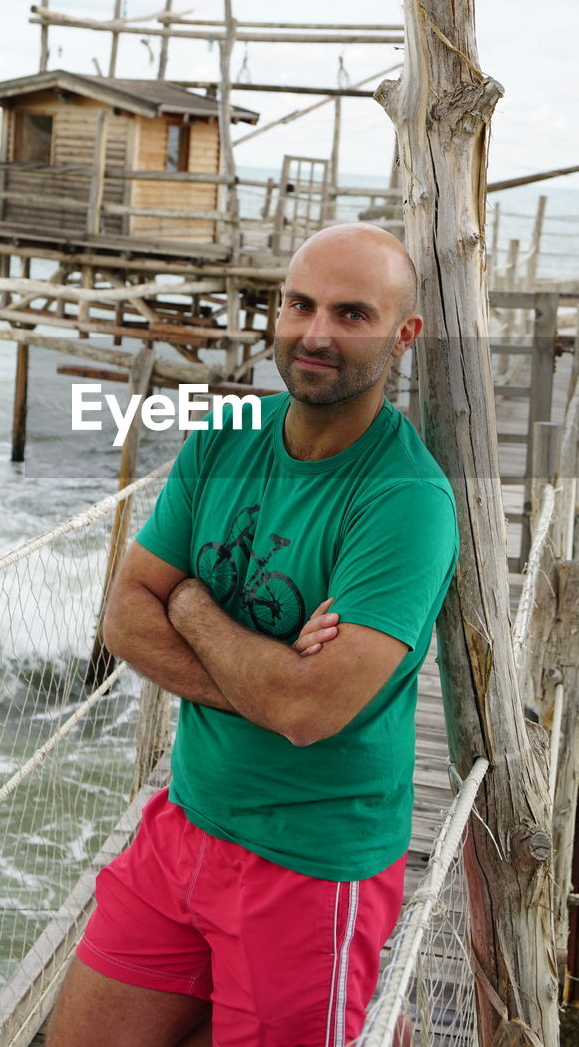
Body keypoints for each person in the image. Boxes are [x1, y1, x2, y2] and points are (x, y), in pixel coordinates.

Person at [47, 223, 459, 1047]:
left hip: (310, 864)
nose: (315, 334)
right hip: (184, 822)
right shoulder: (229, 431)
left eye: (351, 314)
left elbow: (307, 713)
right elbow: (125, 615)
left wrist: (193, 607)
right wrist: (265, 687)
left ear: (402, 335)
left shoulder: (405, 502)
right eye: (300, 305)